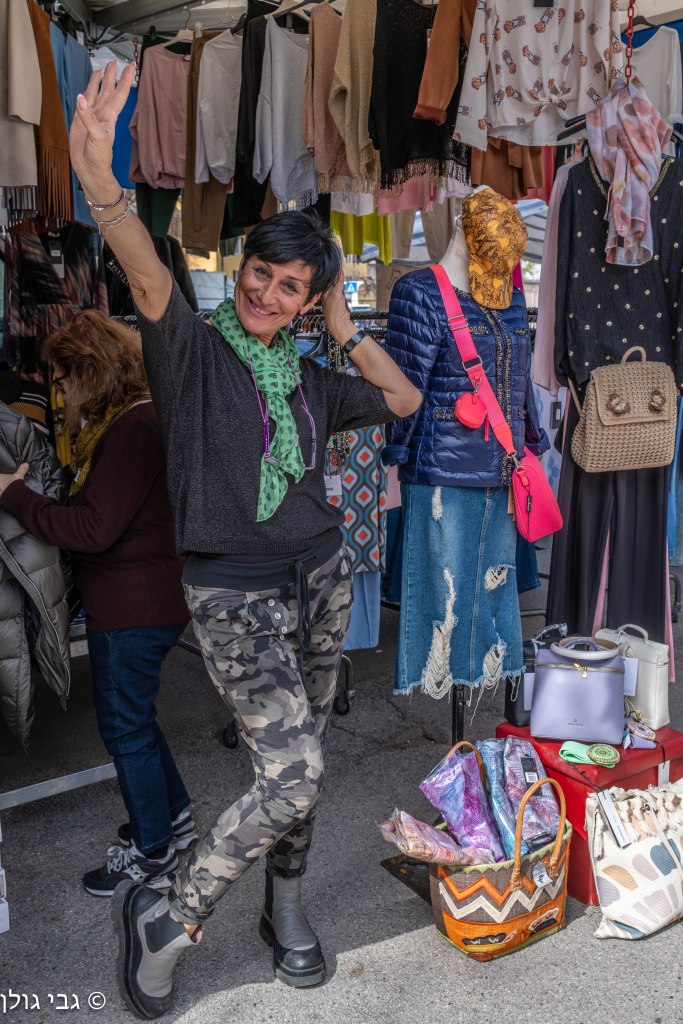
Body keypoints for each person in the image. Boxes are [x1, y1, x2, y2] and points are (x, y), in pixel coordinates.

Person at [68, 61, 421, 1019]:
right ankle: (171, 917)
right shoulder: (190, 350)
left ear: (309, 299)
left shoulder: (313, 379)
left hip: (321, 577)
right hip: (232, 593)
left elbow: (402, 398)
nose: (266, 292)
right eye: (261, 272)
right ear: (245, 269)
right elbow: (145, 269)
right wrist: (98, 177)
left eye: (290, 285)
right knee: (293, 773)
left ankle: (285, 905)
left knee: (306, 762)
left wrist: (343, 326)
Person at [0, 310, 196, 897]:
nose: (59, 393)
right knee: (137, 719)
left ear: (90, 371)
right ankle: (174, 819)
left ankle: (153, 851)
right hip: (145, 597)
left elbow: (92, 529)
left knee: (124, 727)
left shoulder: (132, 427)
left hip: (132, 605)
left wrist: (15, 496)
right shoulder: (134, 419)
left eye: (63, 379)